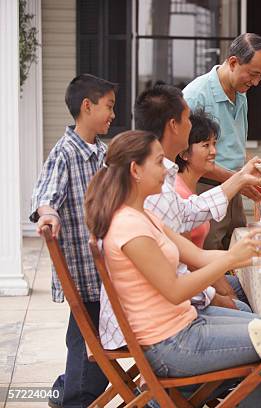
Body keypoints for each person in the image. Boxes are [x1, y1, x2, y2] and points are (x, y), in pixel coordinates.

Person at [84, 131, 261, 408]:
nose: (167, 169)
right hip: (170, 344)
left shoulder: (143, 215)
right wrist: (231, 260)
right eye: (159, 162)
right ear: (135, 170)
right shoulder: (129, 227)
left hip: (184, 324)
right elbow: (174, 290)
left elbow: (199, 255)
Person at [99, 85, 261, 351]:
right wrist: (220, 285)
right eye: (188, 118)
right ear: (173, 125)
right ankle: (192, 391)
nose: (168, 171)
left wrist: (258, 255)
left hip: (175, 316)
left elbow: (190, 224)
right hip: (165, 331)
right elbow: (176, 284)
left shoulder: (144, 207)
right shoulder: (138, 212)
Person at [30, 74, 117, 408]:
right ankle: (76, 399)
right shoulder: (64, 152)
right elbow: (46, 194)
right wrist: (49, 215)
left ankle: (65, 388)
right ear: (87, 106)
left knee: (87, 336)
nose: (112, 114)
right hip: (83, 272)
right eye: (108, 107)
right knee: (88, 339)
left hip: (104, 268)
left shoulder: (103, 153)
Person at [183, 33, 261, 250]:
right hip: (204, 191)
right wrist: (240, 180)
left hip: (234, 190)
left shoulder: (241, 94)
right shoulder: (195, 96)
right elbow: (186, 158)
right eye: (253, 74)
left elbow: (236, 145)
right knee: (210, 262)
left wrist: (257, 174)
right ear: (233, 62)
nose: (256, 82)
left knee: (239, 257)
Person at [175, 109, 252, 312]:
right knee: (245, 305)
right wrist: (224, 294)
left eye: (214, 144)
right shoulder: (177, 192)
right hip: (189, 292)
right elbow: (190, 261)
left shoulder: (188, 187)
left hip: (200, 274)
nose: (214, 152)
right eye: (205, 145)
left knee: (250, 289)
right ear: (184, 153)